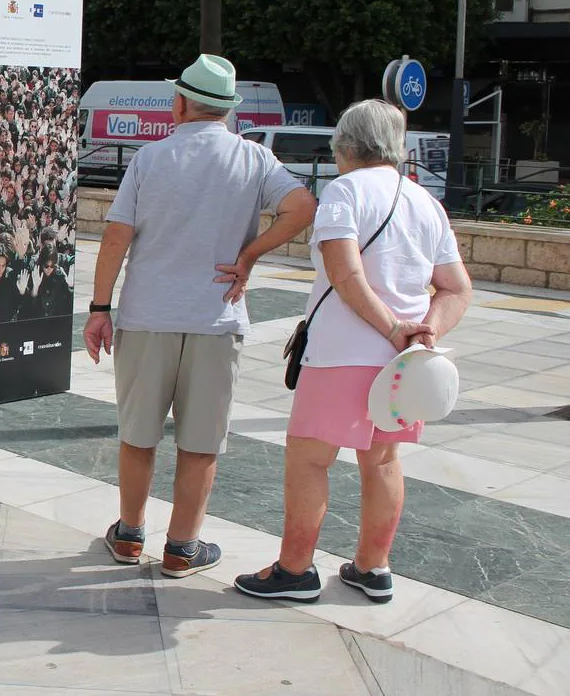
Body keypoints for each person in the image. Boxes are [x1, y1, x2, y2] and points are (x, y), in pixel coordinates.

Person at [83, 54, 315, 579]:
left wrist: (100, 308)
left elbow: (117, 235)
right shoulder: (253, 160)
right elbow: (301, 208)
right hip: (217, 316)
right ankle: (182, 548)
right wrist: (250, 255)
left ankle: (129, 534)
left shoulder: (150, 159)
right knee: (201, 441)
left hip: (146, 315)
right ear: (227, 109)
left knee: (138, 434)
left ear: (181, 102)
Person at [234, 100, 472, 604]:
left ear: (344, 146)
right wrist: (422, 331)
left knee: (310, 459)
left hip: (344, 352)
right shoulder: (424, 200)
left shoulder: (343, 192)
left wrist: (390, 328)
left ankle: (295, 571)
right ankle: (373, 566)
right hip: (403, 365)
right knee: (382, 460)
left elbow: (345, 275)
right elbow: (456, 286)